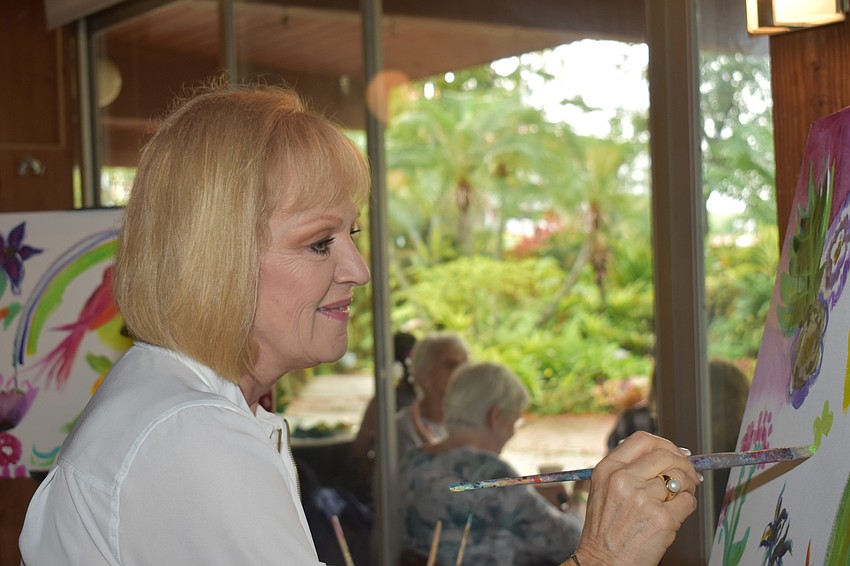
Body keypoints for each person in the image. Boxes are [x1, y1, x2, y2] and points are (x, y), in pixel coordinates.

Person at [18, 83, 700, 565]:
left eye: (354, 232)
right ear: (215, 259)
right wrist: (604, 556)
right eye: (321, 242)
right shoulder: (191, 435)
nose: (358, 268)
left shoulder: (167, 401)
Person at [398, 361, 585, 565]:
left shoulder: (413, 460)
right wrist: (581, 497)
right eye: (513, 422)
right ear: (495, 417)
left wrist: (533, 496)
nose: (512, 432)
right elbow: (571, 542)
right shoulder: (488, 472)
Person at [396, 332, 470, 460]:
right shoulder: (403, 429)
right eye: (451, 365)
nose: (462, 372)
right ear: (425, 373)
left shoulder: (472, 425)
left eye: (465, 364)